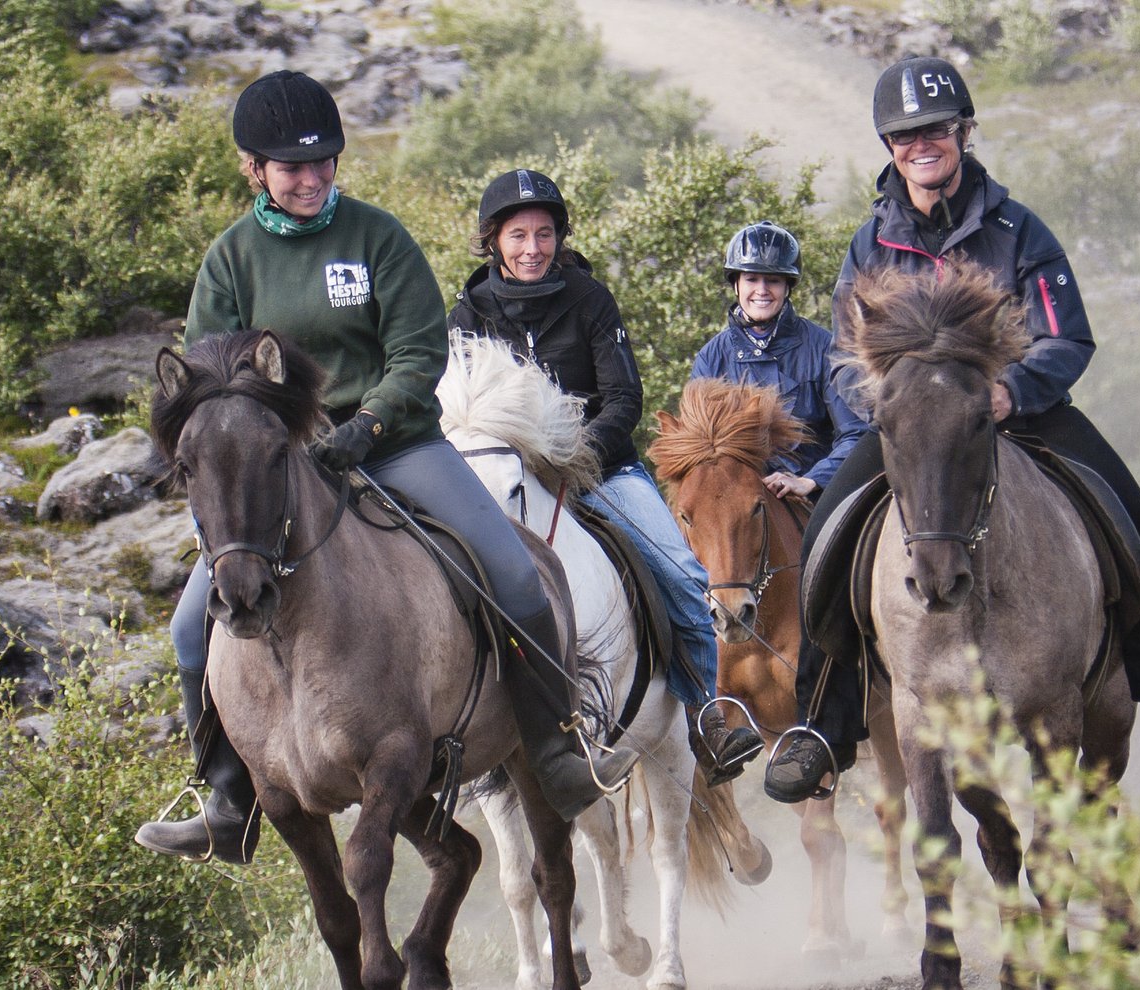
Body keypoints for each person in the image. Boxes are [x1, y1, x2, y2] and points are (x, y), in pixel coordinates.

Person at [135, 74, 639, 863]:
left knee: (510, 572)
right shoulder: (229, 259)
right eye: (291, 168)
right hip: (279, 468)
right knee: (186, 627)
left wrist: (366, 423)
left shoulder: (376, 238)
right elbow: (214, 380)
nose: (311, 180)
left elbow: (417, 350)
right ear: (253, 169)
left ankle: (556, 752)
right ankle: (228, 799)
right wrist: (284, 441)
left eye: (324, 163)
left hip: (399, 445)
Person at [764, 55, 1140, 804]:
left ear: (962, 134)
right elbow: (842, 360)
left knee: (1125, 506)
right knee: (827, 530)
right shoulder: (869, 245)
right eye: (905, 135)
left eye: (937, 130)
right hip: (914, 432)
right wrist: (890, 412)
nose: (922, 145)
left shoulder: (1019, 230)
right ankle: (822, 723)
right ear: (890, 148)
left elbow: (1066, 338)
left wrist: (1009, 391)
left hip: (1019, 417)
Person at [447, 168, 764, 786]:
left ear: (560, 238)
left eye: (544, 234)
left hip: (599, 470)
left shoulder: (589, 300)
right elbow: (456, 407)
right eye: (518, 236)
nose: (532, 248)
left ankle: (706, 716)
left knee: (680, 570)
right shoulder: (466, 313)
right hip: (503, 474)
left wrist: (576, 451)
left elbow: (624, 398)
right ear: (494, 242)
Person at [690, 220, 868, 503]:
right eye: (751, 279)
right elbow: (698, 450)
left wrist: (810, 480)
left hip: (813, 496)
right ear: (736, 284)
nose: (762, 290)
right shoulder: (711, 357)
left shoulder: (826, 348)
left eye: (772, 280)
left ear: (787, 286)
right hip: (735, 500)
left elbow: (857, 432)